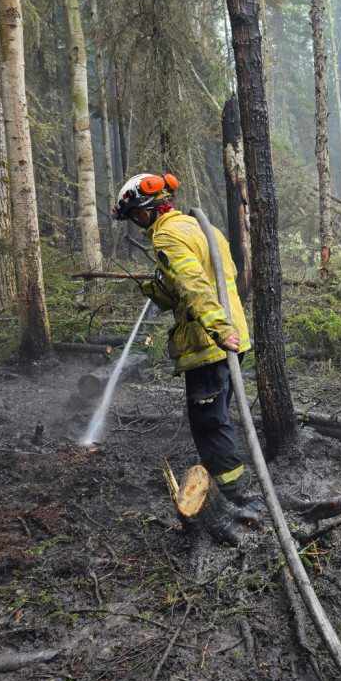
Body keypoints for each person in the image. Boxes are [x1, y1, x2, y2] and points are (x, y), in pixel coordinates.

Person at [112, 173, 252, 506]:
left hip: (210, 342)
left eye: (134, 215)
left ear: (146, 209)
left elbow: (194, 285)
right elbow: (218, 275)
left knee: (209, 423)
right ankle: (228, 490)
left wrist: (218, 329)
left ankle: (230, 500)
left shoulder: (169, 237)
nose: (135, 222)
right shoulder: (202, 228)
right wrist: (161, 289)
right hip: (233, 334)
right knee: (216, 418)